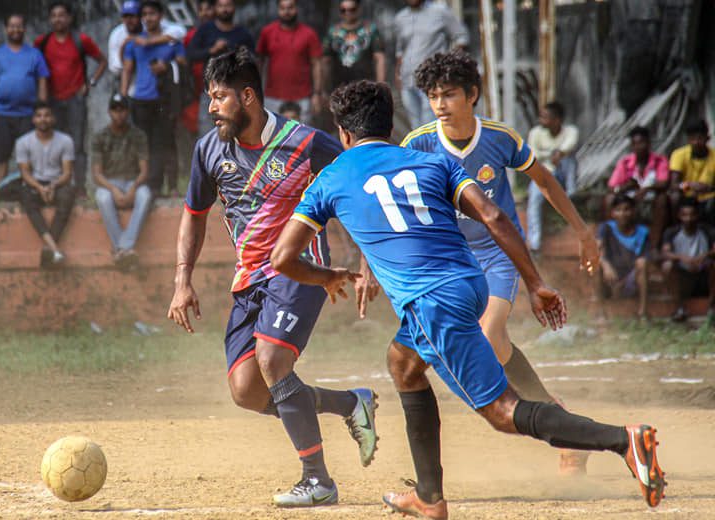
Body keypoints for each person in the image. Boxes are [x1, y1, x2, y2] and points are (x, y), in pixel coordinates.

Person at [271, 79, 666, 518]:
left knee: (502, 412)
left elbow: (283, 258)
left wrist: (328, 277)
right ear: (387, 125)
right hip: (471, 283)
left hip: (431, 303)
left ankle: (622, 440)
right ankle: (428, 497)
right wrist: (535, 284)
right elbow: (494, 214)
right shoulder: (430, 161)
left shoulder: (331, 178)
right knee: (403, 364)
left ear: (343, 134)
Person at [167, 48, 378, 508]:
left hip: (300, 270)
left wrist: (367, 264)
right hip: (249, 280)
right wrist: (183, 279)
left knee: (273, 362)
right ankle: (350, 403)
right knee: (246, 390)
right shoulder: (208, 150)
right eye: (209, 98)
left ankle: (317, 480)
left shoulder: (307, 143)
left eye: (220, 98)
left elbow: (356, 192)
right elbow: (194, 215)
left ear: (248, 96)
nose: (211, 108)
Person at [400, 50, 600, 475]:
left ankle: (546, 426)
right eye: (433, 96)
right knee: (500, 349)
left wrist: (583, 233)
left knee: (488, 339)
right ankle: (564, 427)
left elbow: (544, 181)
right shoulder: (417, 144)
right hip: (450, 262)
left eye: (449, 94)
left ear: (472, 95)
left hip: (497, 255)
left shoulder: (499, 138)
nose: (440, 104)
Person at [34, 2, 107, 200]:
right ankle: (58, 186)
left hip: (76, 100)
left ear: (69, 18)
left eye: (62, 15)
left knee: (77, 145)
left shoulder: (80, 39)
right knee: (55, 143)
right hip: (52, 101)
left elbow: (102, 60)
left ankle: (80, 187)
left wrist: (89, 83)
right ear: (50, 19)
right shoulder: (42, 41)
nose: (58, 19)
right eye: (54, 15)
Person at [120, 1, 185, 197]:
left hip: (164, 100)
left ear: (161, 16)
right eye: (145, 14)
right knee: (144, 144)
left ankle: (172, 186)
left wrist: (166, 65)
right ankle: (150, 187)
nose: (149, 18)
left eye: (152, 13)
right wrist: (123, 96)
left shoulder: (172, 41)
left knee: (166, 143)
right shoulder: (134, 42)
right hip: (140, 99)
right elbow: (127, 69)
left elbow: (183, 64)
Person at [0, 13, 49, 203]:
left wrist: (41, 110)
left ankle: (31, 193)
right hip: (2, 114)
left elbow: (42, 80)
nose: (15, 30)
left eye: (19, 26)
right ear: (6, 29)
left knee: (29, 157)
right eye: (12, 26)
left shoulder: (34, 54)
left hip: (28, 114)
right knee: (0, 156)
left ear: (25, 29)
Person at [91, 93, 151, 266]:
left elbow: (144, 171)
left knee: (145, 195)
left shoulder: (138, 135)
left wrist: (133, 187)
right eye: (115, 110)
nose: (119, 114)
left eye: (122, 110)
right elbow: (97, 173)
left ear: (128, 112)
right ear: (109, 112)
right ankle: (125, 249)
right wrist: (114, 189)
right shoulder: (100, 136)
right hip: (111, 183)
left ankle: (122, 248)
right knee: (102, 197)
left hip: (134, 181)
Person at [16, 101, 77, 267]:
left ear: (53, 119)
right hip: (35, 183)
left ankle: (48, 249)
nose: (43, 119)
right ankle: (54, 248)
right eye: (39, 116)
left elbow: (67, 173)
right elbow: (25, 173)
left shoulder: (65, 141)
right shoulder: (23, 142)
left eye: (47, 115)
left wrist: (53, 186)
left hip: (58, 182)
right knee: (26, 197)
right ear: (33, 119)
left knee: (67, 196)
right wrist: (39, 187)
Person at [392, 0, 468, 129]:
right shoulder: (400, 17)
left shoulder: (439, 11)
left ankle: (433, 149)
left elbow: (461, 36)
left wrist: (449, 63)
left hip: (432, 78)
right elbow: (400, 49)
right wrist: (397, 73)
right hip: (408, 78)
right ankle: (420, 149)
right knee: (416, 126)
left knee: (431, 124)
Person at [186, 0, 254, 136]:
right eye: (221, 6)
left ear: (234, 8)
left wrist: (236, 54)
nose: (225, 9)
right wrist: (212, 50)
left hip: (234, 94)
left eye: (228, 5)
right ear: (215, 8)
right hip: (210, 93)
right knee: (207, 135)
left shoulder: (242, 33)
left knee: (234, 135)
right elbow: (191, 54)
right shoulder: (206, 29)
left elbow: (253, 59)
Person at [256, 0, 324, 125]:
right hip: (273, 96)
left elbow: (317, 64)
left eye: (290, 8)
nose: (287, 12)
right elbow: (260, 62)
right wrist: (256, 90)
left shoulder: (309, 34)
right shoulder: (267, 32)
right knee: (273, 137)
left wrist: (317, 94)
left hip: (302, 96)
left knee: (302, 136)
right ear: (278, 10)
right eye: (283, 8)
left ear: (296, 8)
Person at [526, 101, 580, 254]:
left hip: (563, 176)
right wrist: (552, 154)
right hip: (544, 175)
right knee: (534, 200)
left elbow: (571, 144)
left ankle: (571, 195)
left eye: (546, 117)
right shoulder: (535, 133)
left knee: (569, 159)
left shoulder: (570, 131)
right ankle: (535, 244)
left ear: (557, 120)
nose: (541, 121)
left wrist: (560, 153)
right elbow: (532, 155)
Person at [607, 126, 670, 248]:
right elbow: (612, 186)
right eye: (635, 144)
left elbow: (664, 183)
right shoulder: (625, 162)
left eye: (641, 142)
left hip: (652, 199)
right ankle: (613, 242)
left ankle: (654, 245)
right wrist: (627, 186)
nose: (638, 147)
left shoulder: (659, 160)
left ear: (648, 143)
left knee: (663, 199)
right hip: (630, 199)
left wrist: (647, 189)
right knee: (609, 199)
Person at [660, 199, 715, 323]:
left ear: (698, 215)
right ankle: (678, 308)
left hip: (703, 276)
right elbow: (665, 253)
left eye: (692, 214)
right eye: (685, 215)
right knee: (667, 265)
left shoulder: (708, 230)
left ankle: (712, 307)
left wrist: (703, 256)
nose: (689, 219)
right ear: (679, 216)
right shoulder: (671, 232)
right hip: (683, 278)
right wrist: (682, 258)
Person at [595, 195, 650, 320]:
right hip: (610, 278)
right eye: (618, 210)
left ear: (633, 211)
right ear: (612, 213)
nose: (623, 214)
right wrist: (606, 265)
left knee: (643, 263)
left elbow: (643, 258)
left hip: (631, 280)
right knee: (597, 265)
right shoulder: (606, 228)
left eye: (627, 209)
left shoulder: (643, 232)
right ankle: (601, 312)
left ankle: (643, 313)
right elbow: (596, 250)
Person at [321, 0, 385, 94]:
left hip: (366, 87)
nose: (347, 13)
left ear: (358, 9)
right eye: (343, 10)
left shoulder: (370, 30)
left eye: (352, 9)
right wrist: (324, 90)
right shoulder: (332, 32)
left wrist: (381, 87)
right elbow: (325, 61)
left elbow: (380, 58)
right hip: (339, 88)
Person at [669, 120, 715, 223]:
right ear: (688, 140)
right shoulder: (679, 154)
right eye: (692, 139)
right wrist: (689, 185)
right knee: (674, 196)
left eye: (700, 138)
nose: (696, 142)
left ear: (708, 138)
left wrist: (708, 188)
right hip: (686, 196)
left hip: (709, 197)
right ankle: (676, 227)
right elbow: (674, 184)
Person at [180, 0, 214, 136]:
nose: (205, 13)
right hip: (197, 90)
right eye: (201, 10)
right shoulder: (191, 35)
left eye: (208, 9)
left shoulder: (222, 33)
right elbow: (186, 63)